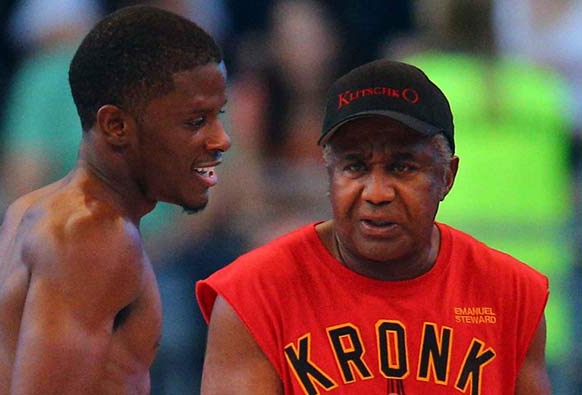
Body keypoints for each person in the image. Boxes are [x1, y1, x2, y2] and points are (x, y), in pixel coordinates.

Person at [197, 60, 549, 394]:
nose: (377, 193)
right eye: (354, 167)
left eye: (402, 167)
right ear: (329, 175)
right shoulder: (253, 297)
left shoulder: (511, 294)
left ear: (447, 176)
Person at [0, 5, 230, 394]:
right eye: (195, 121)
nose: (223, 140)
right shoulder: (94, 237)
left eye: (219, 115)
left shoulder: (28, 212)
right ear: (115, 126)